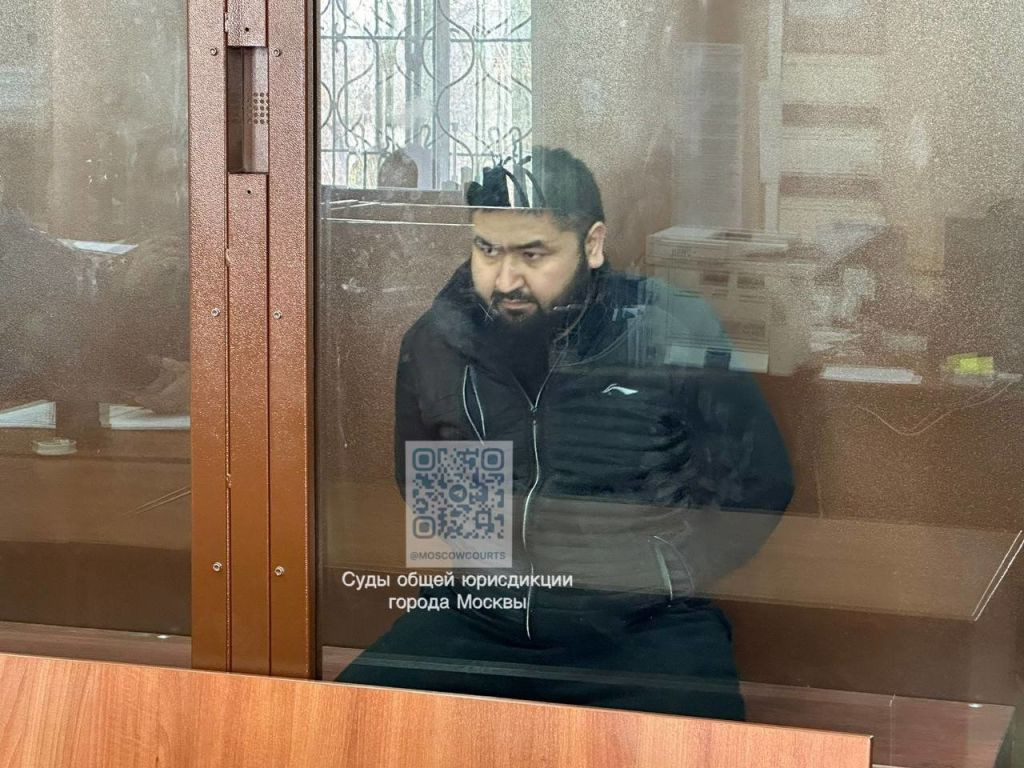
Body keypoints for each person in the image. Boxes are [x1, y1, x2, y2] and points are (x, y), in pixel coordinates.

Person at [337, 146, 793, 720]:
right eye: (488, 250)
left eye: (533, 254)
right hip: (480, 622)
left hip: (644, 629)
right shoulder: (438, 342)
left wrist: (666, 572)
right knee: (345, 728)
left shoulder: (669, 329)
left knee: (705, 749)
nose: (506, 279)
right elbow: (425, 484)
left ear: (592, 245)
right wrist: (498, 576)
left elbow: (759, 479)